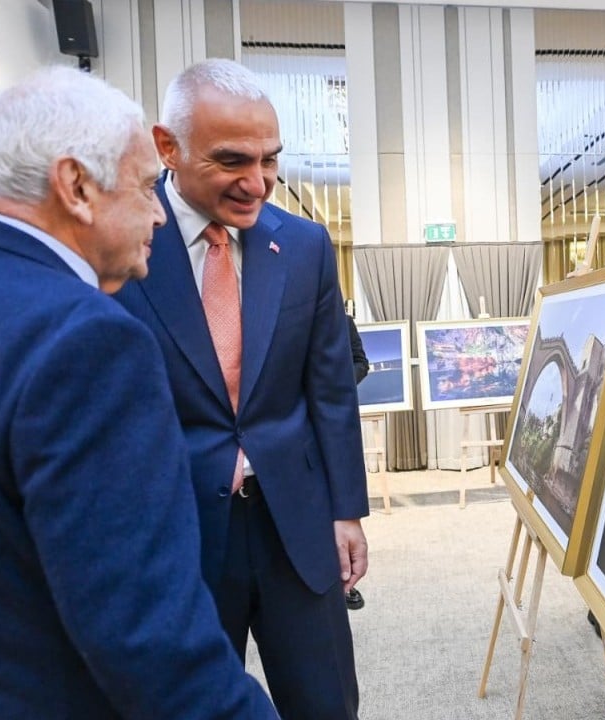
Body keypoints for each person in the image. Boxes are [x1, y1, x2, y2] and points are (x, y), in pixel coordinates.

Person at [0, 67, 276, 719]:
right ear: (76, 186)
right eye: (145, 186)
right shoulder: (90, 341)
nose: (159, 211)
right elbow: (150, 639)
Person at [114, 58, 369, 719]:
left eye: (271, 160)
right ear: (167, 146)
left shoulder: (306, 246)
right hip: (181, 529)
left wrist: (346, 511)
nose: (258, 183)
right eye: (233, 161)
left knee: (326, 704)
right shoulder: (125, 245)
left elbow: (331, 390)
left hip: (296, 523)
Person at [344, 308, 368, 612]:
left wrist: (337, 382)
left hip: (336, 411)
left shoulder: (343, 319)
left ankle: (347, 582)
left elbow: (362, 363)